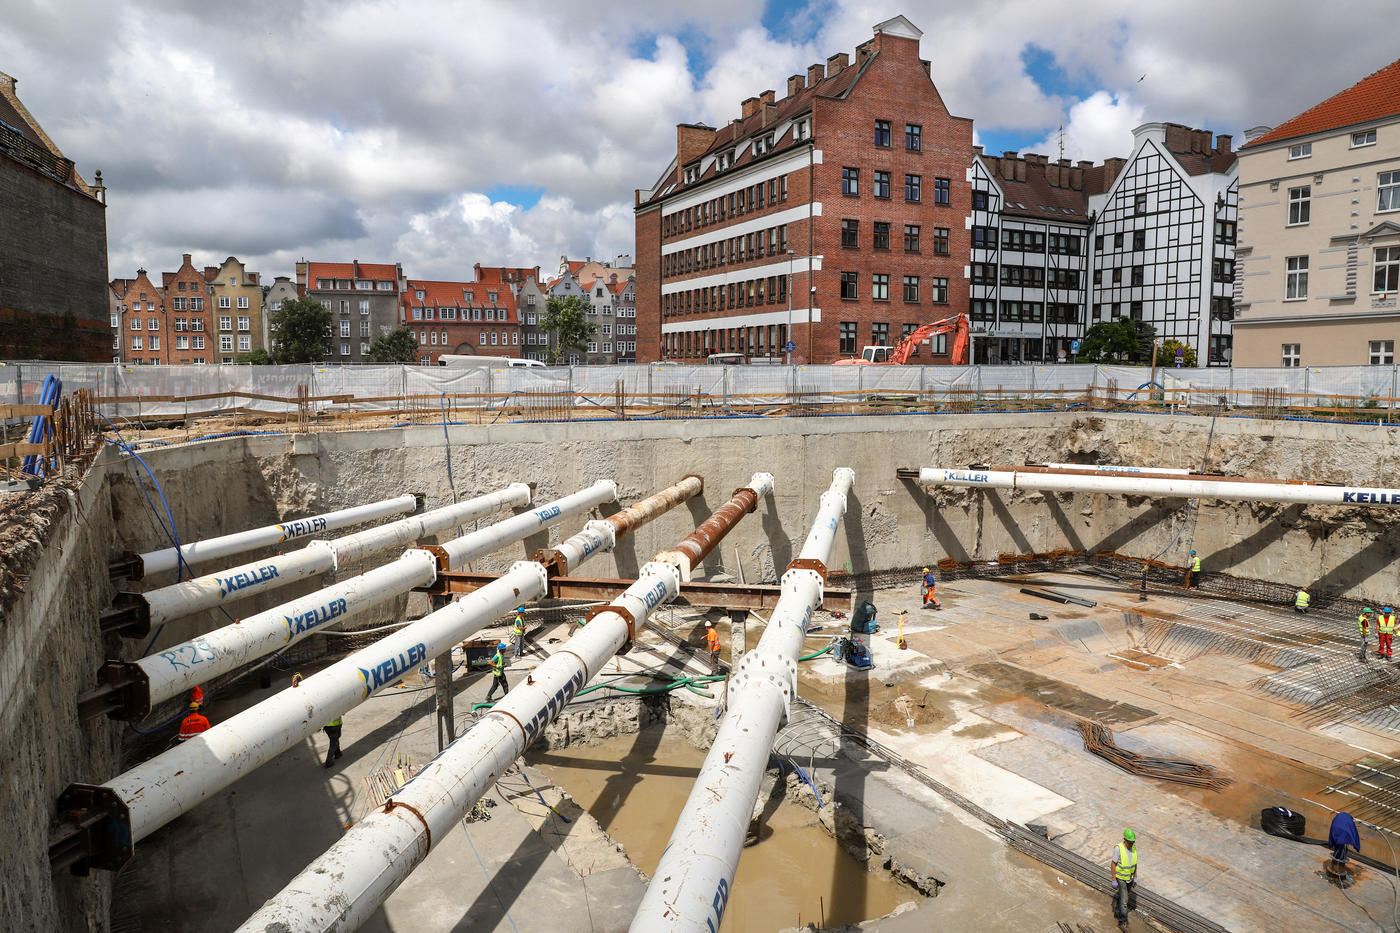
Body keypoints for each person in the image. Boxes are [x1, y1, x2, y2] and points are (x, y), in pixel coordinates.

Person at [1111, 828, 1139, 928]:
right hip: (1121, 878)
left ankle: (1117, 911)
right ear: (1125, 840)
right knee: (1125, 901)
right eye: (1130, 842)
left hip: (1130, 878)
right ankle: (1122, 921)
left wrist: (1135, 876)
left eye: (1133, 842)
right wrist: (1114, 879)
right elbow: (1113, 864)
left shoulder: (1134, 848)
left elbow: (1135, 863)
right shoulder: (1118, 849)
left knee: (1124, 897)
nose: (1131, 844)